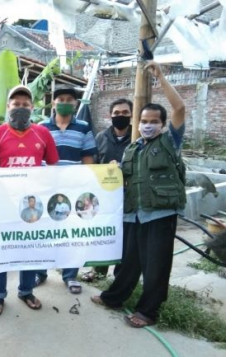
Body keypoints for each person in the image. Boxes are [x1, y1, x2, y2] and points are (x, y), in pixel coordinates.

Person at [90, 60, 187, 329]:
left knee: (155, 265)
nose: (147, 125)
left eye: (153, 121)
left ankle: (148, 311)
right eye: (143, 121)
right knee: (129, 261)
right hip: (134, 214)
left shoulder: (170, 142)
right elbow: (123, 176)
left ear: (163, 124)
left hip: (159, 214)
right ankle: (114, 298)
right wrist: (112, 170)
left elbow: (180, 108)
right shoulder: (133, 148)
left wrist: (161, 77)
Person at [0, 84, 59, 316]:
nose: (21, 108)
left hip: (32, 204)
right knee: (1, 250)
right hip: (4, 204)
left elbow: (54, 165)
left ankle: (26, 290)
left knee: (30, 248)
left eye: (25, 105)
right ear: (8, 107)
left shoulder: (43, 134)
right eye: (16, 104)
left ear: (32, 107)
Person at [36, 84, 98, 294]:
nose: (64, 103)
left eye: (68, 100)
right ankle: (40, 272)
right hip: (46, 189)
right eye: (60, 99)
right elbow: (36, 159)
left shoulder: (83, 128)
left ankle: (70, 275)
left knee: (72, 233)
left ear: (75, 103)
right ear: (53, 103)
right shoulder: (41, 127)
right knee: (43, 232)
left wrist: (89, 187)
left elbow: (88, 159)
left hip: (73, 190)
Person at [85, 98, 133, 281]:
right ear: (110, 116)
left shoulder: (137, 137)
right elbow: (94, 165)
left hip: (130, 196)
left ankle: (121, 276)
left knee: (126, 237)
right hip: (106, 195)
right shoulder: (101, 137)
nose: (120, 116)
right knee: (103, 234)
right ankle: (98, 272)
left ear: (131, 115)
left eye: (125, 113)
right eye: (117, 114)